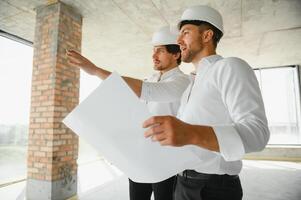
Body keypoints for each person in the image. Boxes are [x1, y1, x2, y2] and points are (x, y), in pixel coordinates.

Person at [142, 5, 270, 200]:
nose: (178, 41)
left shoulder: (229, 67)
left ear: (207, 35)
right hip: (182, 182)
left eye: (185, 32)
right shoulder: (191, 83)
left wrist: (190, 133)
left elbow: (257, 134)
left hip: (213, 188)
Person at [66, 26, 190, 200]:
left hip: (167, 160)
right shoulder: (150, 79)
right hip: (140, 158)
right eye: (153, 51)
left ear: (176, 54)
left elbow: (148, 91)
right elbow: (135, 115)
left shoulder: (183, 82)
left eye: (160, 51)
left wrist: (95, 71)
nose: (153, 56)